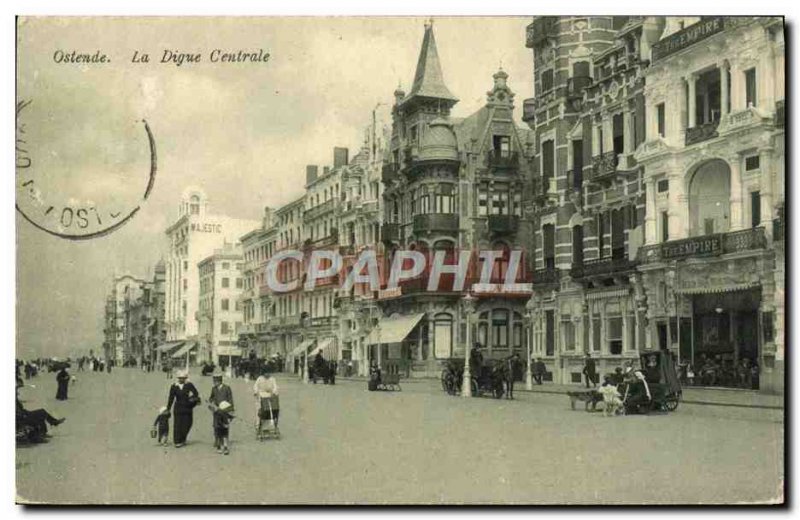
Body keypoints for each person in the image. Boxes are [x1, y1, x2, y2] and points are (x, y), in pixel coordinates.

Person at [166, 370, 200, 447]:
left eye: (183, 378)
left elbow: (196, 393)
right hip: (178, 407)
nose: (182, 379)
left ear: (185, 378)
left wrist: (192, 399)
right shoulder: (174, 386)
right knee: (177, 425)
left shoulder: (189, 385)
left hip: (188, 407)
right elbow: (171, 398)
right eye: (180, 378)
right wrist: (168, 409)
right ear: (178, 378)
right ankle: (177, 441)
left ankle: (183, 439)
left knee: (188, 424)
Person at [207, 370, 234, 453]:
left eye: (216, 380)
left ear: (219, 380)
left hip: (225, 411)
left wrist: (231, 411)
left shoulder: (227, 388)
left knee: (225, 426)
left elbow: (230, 400)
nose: (214, 382)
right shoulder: (214, 389)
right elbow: (211, 398)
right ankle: (218, 441)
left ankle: (225, 443)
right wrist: (211, 403)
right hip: (216, 411)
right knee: (216, 426)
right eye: (214, 380)